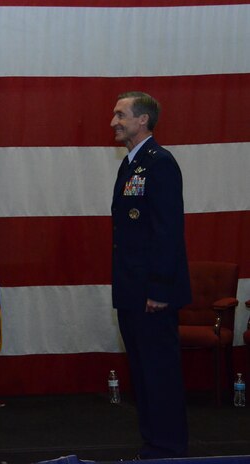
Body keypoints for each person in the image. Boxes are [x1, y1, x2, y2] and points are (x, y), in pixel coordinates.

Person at [110, 91, 191, 459]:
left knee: (159, 372)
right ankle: (153, 442)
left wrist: (159, 288)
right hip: (132, 289)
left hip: (152, 293)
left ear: (142, 120)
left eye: (120, 115)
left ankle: (169, 445)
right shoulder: (130, 164)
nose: (114, 122)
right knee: (142, 372)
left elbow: (167, 230)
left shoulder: (159, 163)